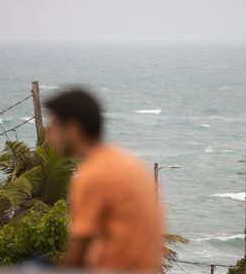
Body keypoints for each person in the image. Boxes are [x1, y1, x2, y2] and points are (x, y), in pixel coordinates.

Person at [45, 88, 163, 272]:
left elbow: (77, 258)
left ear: (73, 129)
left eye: (54, 127)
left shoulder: (93, 174)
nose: (48, 136)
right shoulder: (127, 162)